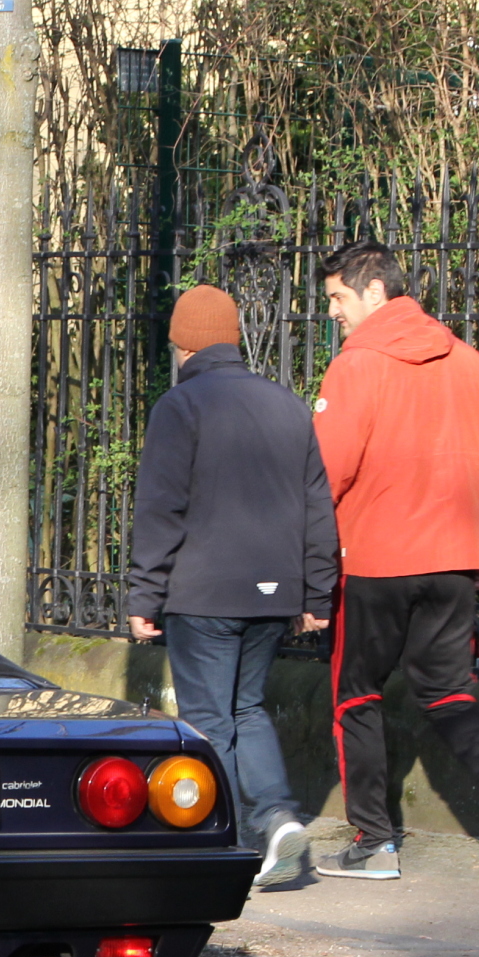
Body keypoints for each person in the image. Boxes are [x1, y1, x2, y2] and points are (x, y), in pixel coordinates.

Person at [312, 239, 479, 880]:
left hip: (373, 561)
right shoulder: (469, 363)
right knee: (446, 692)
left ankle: (373, 843)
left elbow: (325, 476)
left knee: (355, 696)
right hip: (452, 556)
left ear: (374, 290)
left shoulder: (355, 367)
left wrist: (311, 565)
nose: (332, 311)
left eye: (337, 297)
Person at [127, 284, 337, 889]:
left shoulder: (181, 406)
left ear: (183, 343)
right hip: (275, 594)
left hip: (205, 590)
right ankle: (275, 818)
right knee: (248, 707)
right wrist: (315, 594)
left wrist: (145, 596)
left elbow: (161, 509)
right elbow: (317, 509)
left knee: (209, 719)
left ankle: (212, 841)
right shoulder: (288, 406)